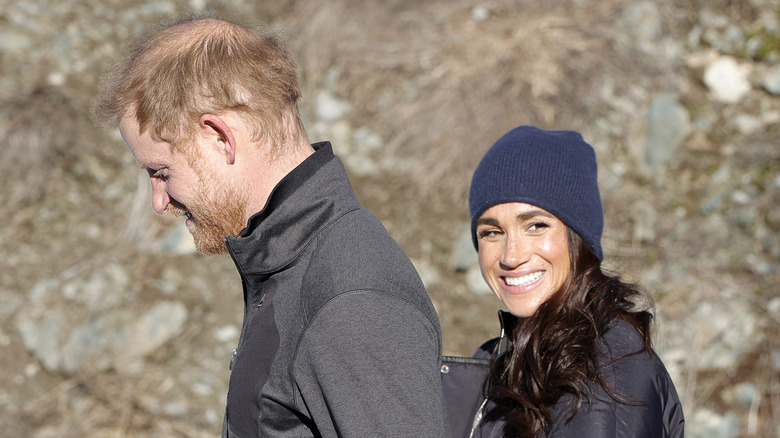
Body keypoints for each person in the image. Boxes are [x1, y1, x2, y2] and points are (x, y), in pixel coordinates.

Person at [92, 15, 449, 438]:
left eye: (161, 171)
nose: (159, 201)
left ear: (220, 138)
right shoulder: (289, 263)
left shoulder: (351, 299)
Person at [460, 125, 685, 437]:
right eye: (492, 232)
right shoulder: (504, 358)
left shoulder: (606, 375)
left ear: (579, 240)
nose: (511, 256)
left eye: (536, 225)